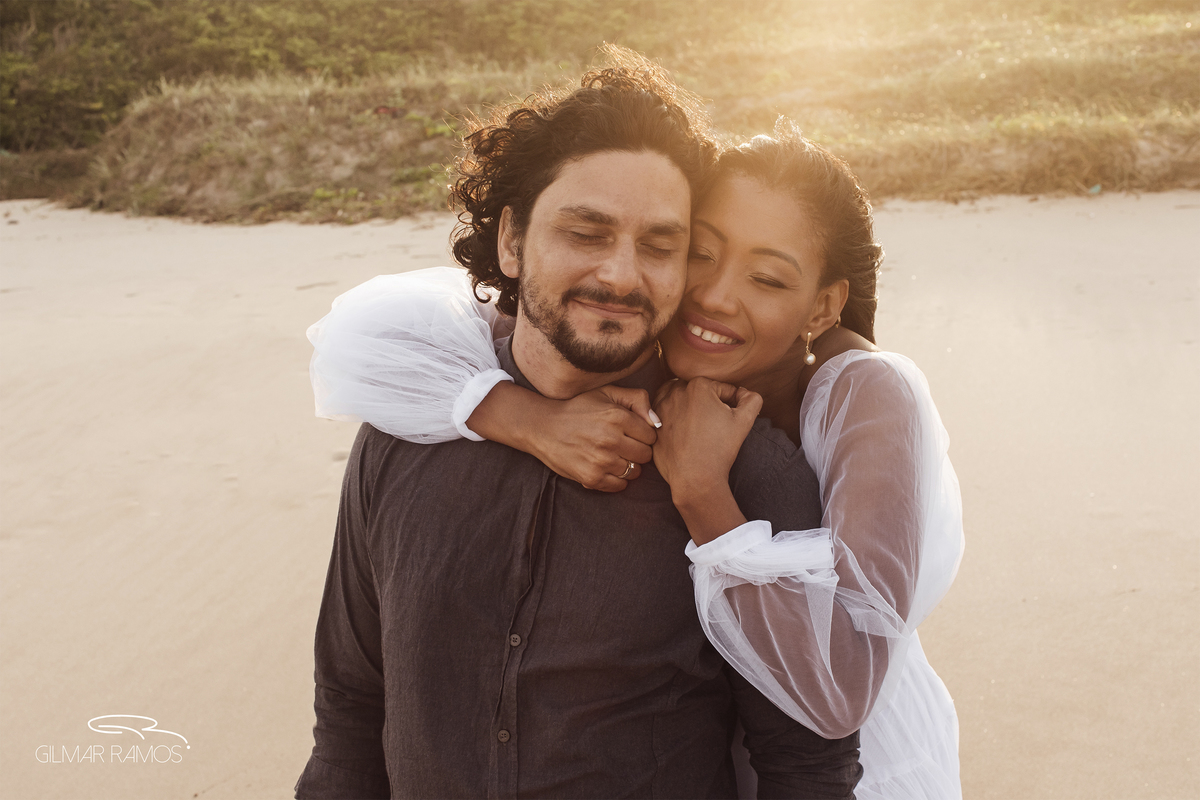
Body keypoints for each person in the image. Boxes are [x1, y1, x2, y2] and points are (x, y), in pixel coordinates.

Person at [307, 120, 965, 798]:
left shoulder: (834, 420)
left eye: (659, 245)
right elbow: (351, 713)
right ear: (512, 238)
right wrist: (523, 417)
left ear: (822, 306)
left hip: (854, 716)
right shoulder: (427, 407)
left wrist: (704, 486)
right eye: (703, 254)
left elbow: (824, 723)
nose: (712, 295)